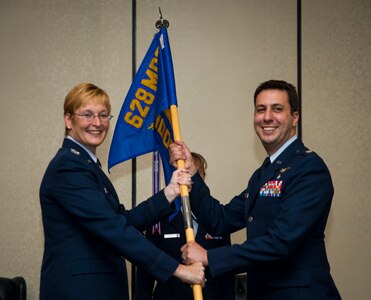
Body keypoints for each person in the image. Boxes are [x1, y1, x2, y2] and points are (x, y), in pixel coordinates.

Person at [170, 80, 341, 299]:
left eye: (277, 109)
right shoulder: (263, 174)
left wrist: (210, 257)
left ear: (295, 118)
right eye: (261, 109)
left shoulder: (309, 168)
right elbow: (220, 219)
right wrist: (192, 171)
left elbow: (281, 241)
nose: (267, 117)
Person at [39, 82, 205, 300]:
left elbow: (124, 220)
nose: (97, 123)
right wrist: (179, 270)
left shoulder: (86, 165)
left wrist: (170, 192)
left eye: (103, 115)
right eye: (87, 115)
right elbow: (114, 228)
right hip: (81, 291)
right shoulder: (68, 167)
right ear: (68, 120)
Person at [135, 152, 235, 300]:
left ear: (202, 177)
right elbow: (146, 271)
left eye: (195, 172)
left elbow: (227, 271)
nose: (189, 178)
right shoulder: (160, 218)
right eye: (184, 172)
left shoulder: (217, 216)